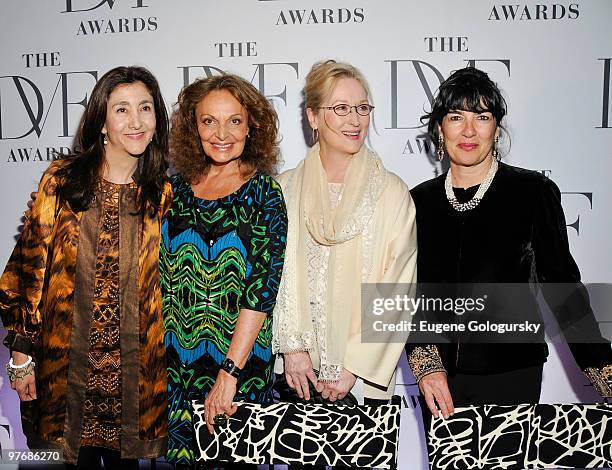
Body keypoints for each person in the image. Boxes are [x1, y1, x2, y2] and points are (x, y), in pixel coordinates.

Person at [406, 67, 612, 427]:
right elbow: (408, 293)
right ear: (440, 129)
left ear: (496, 129)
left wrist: (602, 369)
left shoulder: (532, 193)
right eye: (456, 117)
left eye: (481, 117)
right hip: (440, 383)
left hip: (512, 374)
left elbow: (562, 288)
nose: (468, 131)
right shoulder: (418, 202)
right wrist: (426, 365)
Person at [0, 66, 172, 469]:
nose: (136, 121)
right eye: (122, 110)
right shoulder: (62, 181)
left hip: (134, 378)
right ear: (102, 122)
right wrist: (21, 356)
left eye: (145, 108)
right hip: (67, 375)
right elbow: (28, 268)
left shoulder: (163, 193)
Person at [273, 59, 417, 416]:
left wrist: (353, 368)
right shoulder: (284, 189)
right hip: (295, 376)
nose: (355, 120)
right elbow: (269, 275)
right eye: (340, 108)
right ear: (313, 117)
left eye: (362, 108)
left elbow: (396, 288)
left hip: (363, 381)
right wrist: (294, 351)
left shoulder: (391, 193)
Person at [161, 73, 287, 468]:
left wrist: (229, 373)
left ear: (252, 126)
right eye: (208, 121)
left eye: (234, 120)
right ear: (192, 128)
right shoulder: (174, 191)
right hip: (175, 371)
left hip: (239, 374)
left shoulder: (264, 193)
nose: (221, 133)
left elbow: (261, 290)